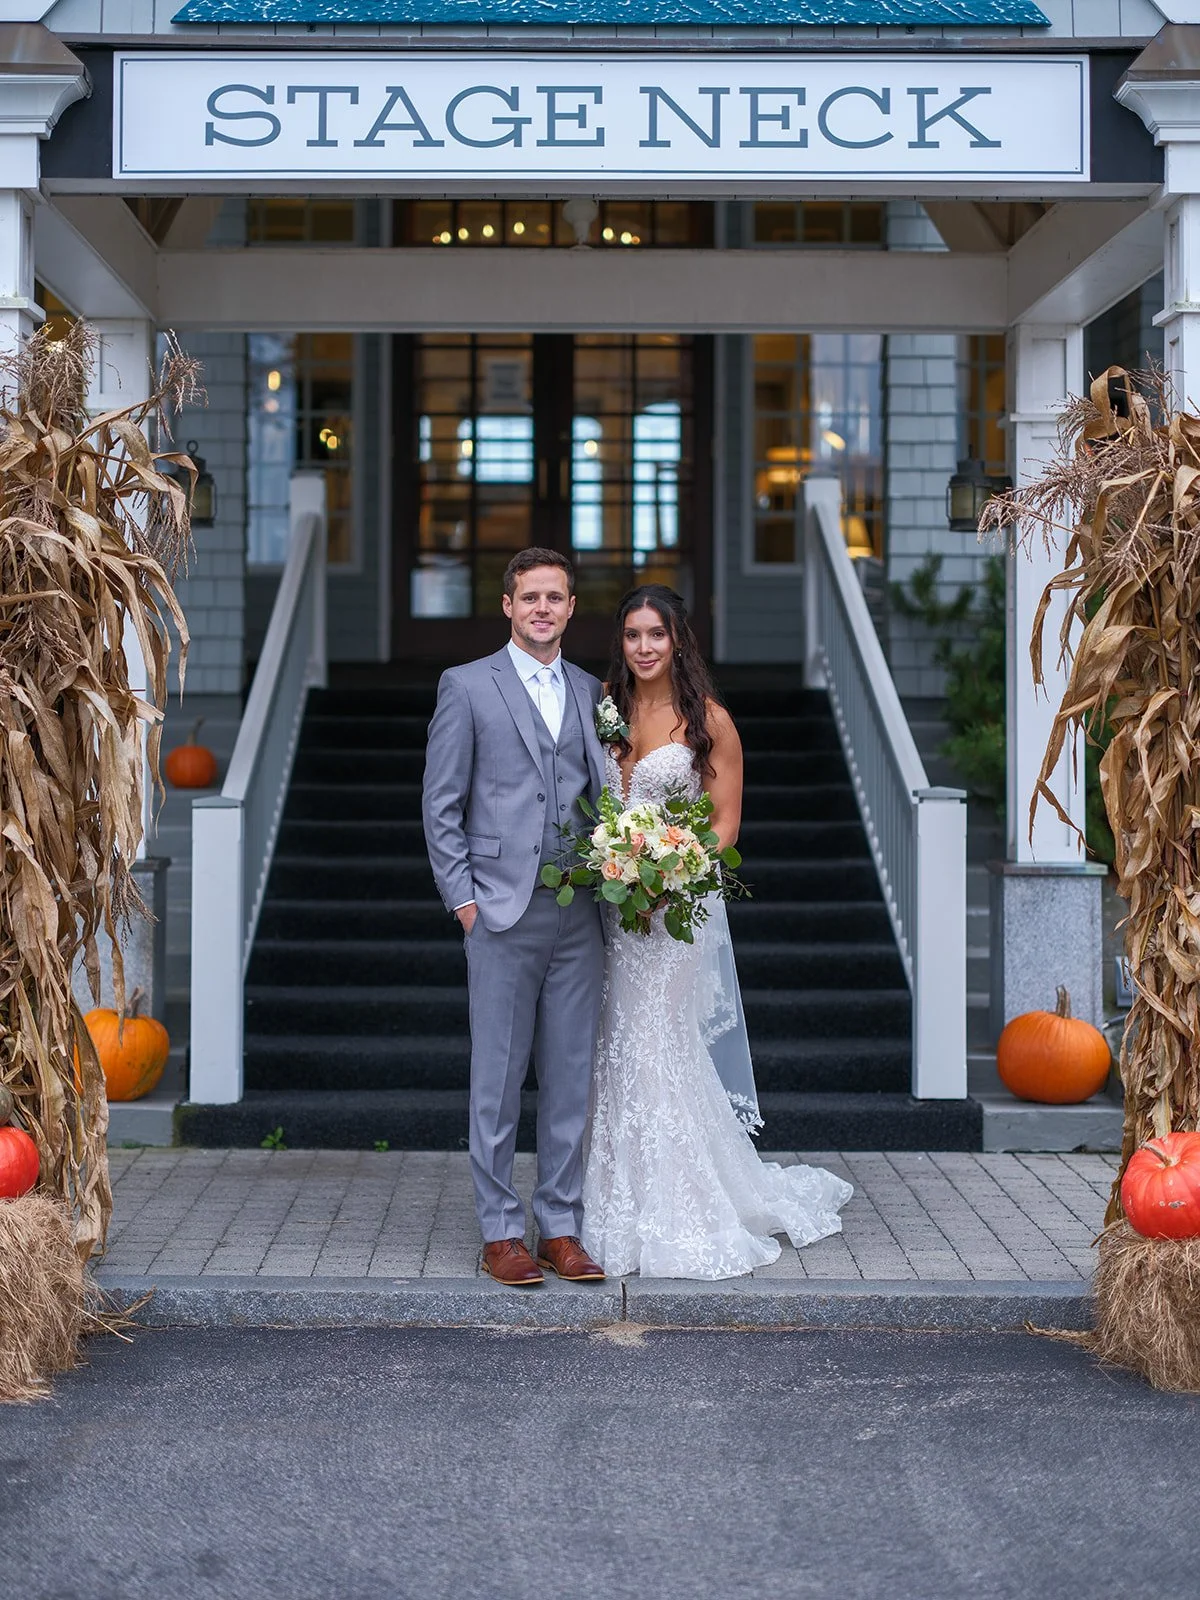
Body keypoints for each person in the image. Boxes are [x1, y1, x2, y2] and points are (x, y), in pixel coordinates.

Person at [581, 585, 853, 1280]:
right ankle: (614, 1201)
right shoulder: (604, 712)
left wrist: (666, 870)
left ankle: (680, 1209)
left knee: (655, 1038)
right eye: (634, 635)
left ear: (678, 641)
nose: (644, 647)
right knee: (617, 1040)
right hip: (616, 905)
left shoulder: (711, 722)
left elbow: (725, 825)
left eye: (657, 635)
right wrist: (621, 866)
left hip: (676, 906)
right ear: (623, 641)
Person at [422, 548, 608, 1288]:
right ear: (507, 605)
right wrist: (463, 901)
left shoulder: (594, 690)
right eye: (529, 596)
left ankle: (559, 1224)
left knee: (569, 1076)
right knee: (497, 1077)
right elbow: (441, 805)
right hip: (499, 910)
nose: (541, 608)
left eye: (554, 597)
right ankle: (502, 1232)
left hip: (582, 910)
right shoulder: (466, 686)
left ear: (569, 608)